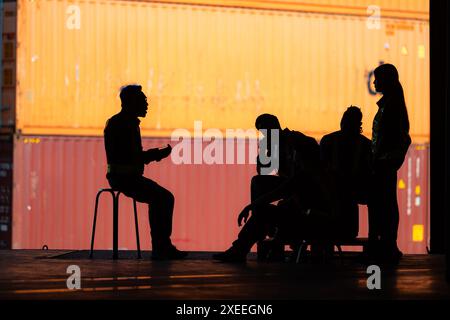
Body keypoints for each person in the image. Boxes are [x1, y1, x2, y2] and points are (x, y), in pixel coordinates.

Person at [213, 114, 320, 262]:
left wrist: (253, 205)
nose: (263, 134)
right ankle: (257, 224)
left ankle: (244, 242)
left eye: (264, 130)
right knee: (258, 183)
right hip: (292, 187)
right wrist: (264, 154)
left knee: (259, 190)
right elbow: (264, 174)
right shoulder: (273, 144)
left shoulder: (295, 140)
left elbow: (293, 182)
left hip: (302, 192)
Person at [104, 85, 187, 260]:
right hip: (124, 179)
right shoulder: (122, 124)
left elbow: (131, 156)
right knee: (163, 198)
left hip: (126, 177)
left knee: (161, 198)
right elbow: (130, 156)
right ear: (131, 102)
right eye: (143, 100)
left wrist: (155, 155)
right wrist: (157, 154)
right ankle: (161, 247)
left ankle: (161, 246)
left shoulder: (125, 123)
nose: (147, 104)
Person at [369, 64, 411, 263]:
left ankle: (386, 247)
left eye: (377, 78)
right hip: (383, 163)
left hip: (383, 164)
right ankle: (385, 246)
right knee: (386, 204)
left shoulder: (391, 106)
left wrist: (385, 159)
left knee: (384, 205)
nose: (375, 82)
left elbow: (398, 138)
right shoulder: (391, 104)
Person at [320, 106, 372, 239]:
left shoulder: (328, 140)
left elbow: (320, 170)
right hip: (353, 194)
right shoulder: (366, 145)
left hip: (331, 196)